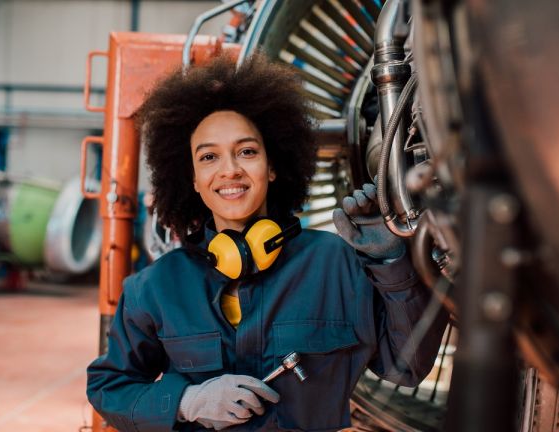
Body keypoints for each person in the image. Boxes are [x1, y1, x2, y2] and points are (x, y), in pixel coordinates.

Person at [86, 53, 448, 431]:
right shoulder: (157, 287)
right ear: (191, 177)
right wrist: (186, 402)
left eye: (247, 151)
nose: (230, 170)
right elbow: (109, 387)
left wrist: (393, 264)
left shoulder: (336, 264)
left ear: (272, 167)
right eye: (209, 156)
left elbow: (407, 367)